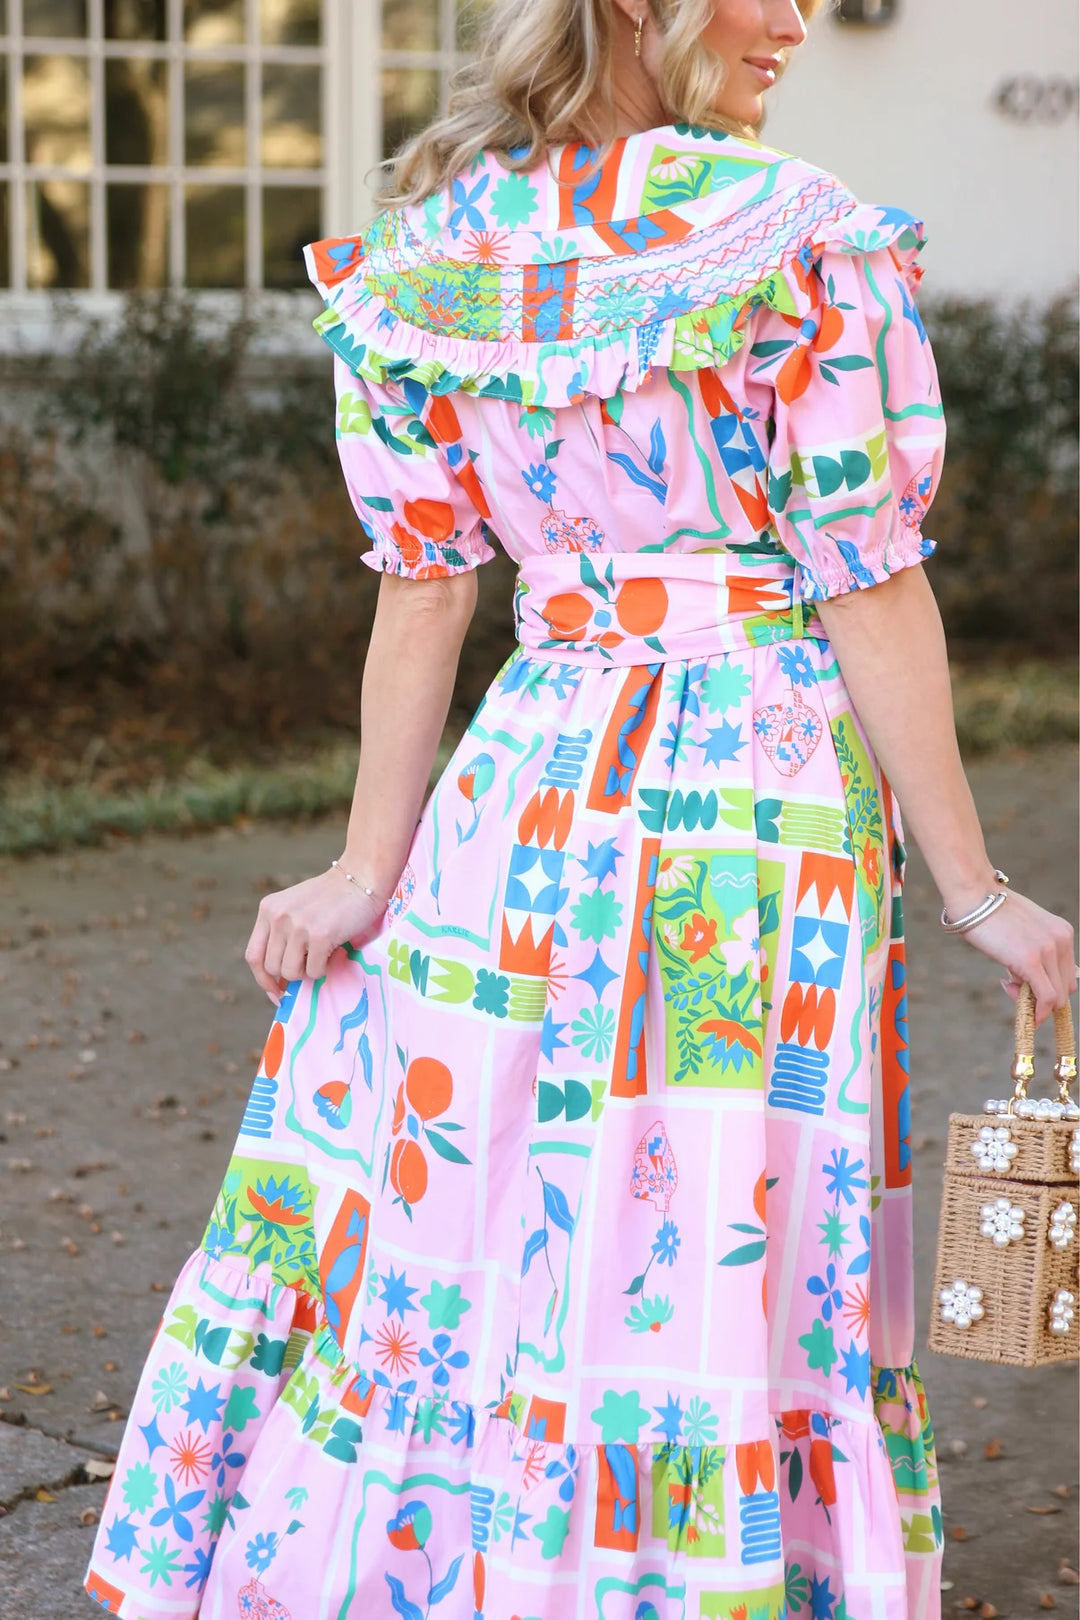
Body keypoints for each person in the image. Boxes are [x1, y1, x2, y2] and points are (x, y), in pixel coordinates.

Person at [86, 1, 1077, 1616]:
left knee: (495, 1189)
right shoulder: (795, 238)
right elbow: (865, 579)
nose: (795, 20)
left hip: (530, 783)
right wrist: (975, 888)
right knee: (712, 1210)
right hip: (752, 800)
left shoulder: (437, 257)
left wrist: (366, 869)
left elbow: (426, 587)